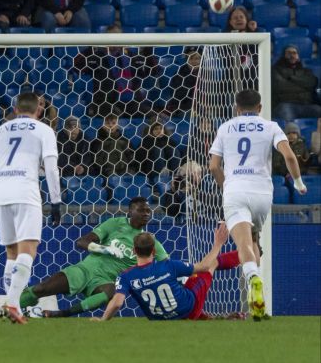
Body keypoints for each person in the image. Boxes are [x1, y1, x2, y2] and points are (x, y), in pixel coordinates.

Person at [208, 89, 308, 321]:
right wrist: (299, 183)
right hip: (262, 192)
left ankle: (253, 278)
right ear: (260, 107)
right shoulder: (271, 126)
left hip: (235, 191)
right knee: (254, 241)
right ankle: (257, 305)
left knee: (244, 244)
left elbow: (213, 167)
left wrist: (226, 187)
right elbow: (290, 157)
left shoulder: (225, 127)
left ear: (236, 107)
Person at [0, 92, 62, 324]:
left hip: (1, 194)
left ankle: (10, 303)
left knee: (12, 254)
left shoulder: (1, 130)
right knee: (28, 251)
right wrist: (55, 201)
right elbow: (51, 169)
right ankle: (13, 304)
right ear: (39, 109)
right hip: (26, 193)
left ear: (15, 108)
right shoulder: (44, 130)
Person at [14, 197, 168, 318]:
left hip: (105, 280)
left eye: (149, 211)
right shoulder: (115, 224)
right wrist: (105, 249)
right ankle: (10, 308)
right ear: (130, 212)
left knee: (112, 291)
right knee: (42, 288)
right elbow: (81, 242)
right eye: (142, 210)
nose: (147, 213)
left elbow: (167, 264)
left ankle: (62, 314)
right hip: (85, 270)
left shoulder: (148, 240)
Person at [95, 225, 241, 322]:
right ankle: (248, 255)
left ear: (134, 251)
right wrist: (218, 244)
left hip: (161, 320)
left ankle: (213, 320)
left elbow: (117, 302)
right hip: (189, 310)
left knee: (184, 284)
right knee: (211, 264)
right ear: (154, 251)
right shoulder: (169, 265)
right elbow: (204, 266)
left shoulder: (125, 276)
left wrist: (103, 320)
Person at [272, 45, 321, 121]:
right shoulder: (275, 70)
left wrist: (291, 78)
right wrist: (303, 86)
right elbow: (280, 87)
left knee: (318, 110)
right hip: (286, 104)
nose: (292, 55)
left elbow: (312, 83)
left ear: (298, 56)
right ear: (283, 55)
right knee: (286, 111)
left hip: (306, 105)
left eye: (294, 53)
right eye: (289, 53)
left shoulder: (306, 71)